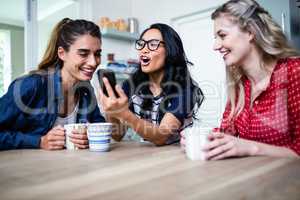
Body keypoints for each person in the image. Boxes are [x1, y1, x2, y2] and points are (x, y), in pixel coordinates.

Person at [182, 0, 300, 160]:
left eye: (222, 35)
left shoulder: (294, 72)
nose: (215, 46)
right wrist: (204, 139)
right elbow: (226, 133)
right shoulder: (239, 86)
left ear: (250, 31)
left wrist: (252, 148)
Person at [0, 18, 105, 150]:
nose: (93, 62)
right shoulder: (31, 85)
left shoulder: (86, 89)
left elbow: (98, 125)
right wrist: (38, 141)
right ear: (62, 53)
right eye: (83, 53)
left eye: (97, 54)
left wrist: (89, 136)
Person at [99, 23, 204, 146]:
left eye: (153, 44)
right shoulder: (131, 86)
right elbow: (117, 135)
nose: (144, 49)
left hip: (177, 157)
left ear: (170, 50)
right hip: (147, 157)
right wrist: (112, 111)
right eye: (141, 44)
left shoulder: (186, 90)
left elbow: (161, 136)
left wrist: (124, 114)